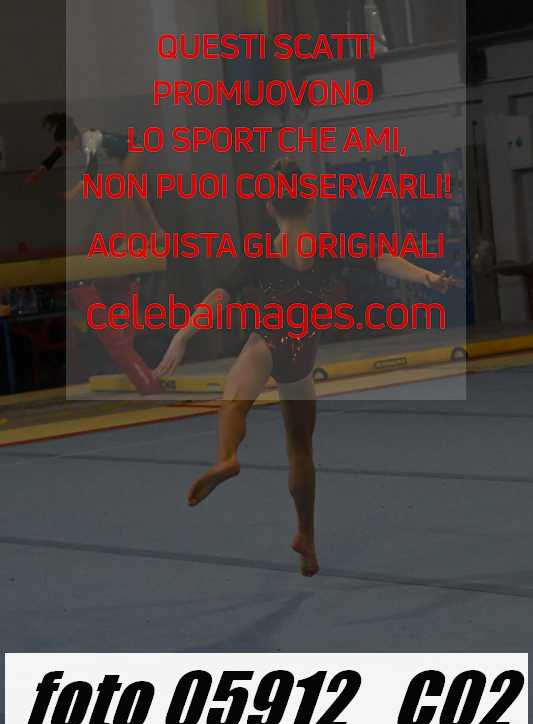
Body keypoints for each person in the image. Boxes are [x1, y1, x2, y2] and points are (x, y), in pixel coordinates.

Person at [154, 158, 459, 577]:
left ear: (269, 207)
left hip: (266, 342)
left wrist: (183, 334)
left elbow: (220, 296)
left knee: (234, 400)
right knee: (300, 450)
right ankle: (307, 538)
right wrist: (427, 277)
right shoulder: (327, 246)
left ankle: (227, 456)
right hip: (302, 355)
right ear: (310, 203)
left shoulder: (262, 253)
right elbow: (382, 259)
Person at [27, 112, 164, 240]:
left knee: (126, 193)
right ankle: (157, 232)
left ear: (74, 138)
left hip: (133, 149)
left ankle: (130, 239)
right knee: (135, 195)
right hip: (125, 155)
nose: (65, 150)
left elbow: (92, 170)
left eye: (65, 146)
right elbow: (54, 156)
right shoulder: (75, 138)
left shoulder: (89, 139)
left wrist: (73, 192)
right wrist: (40, 171)